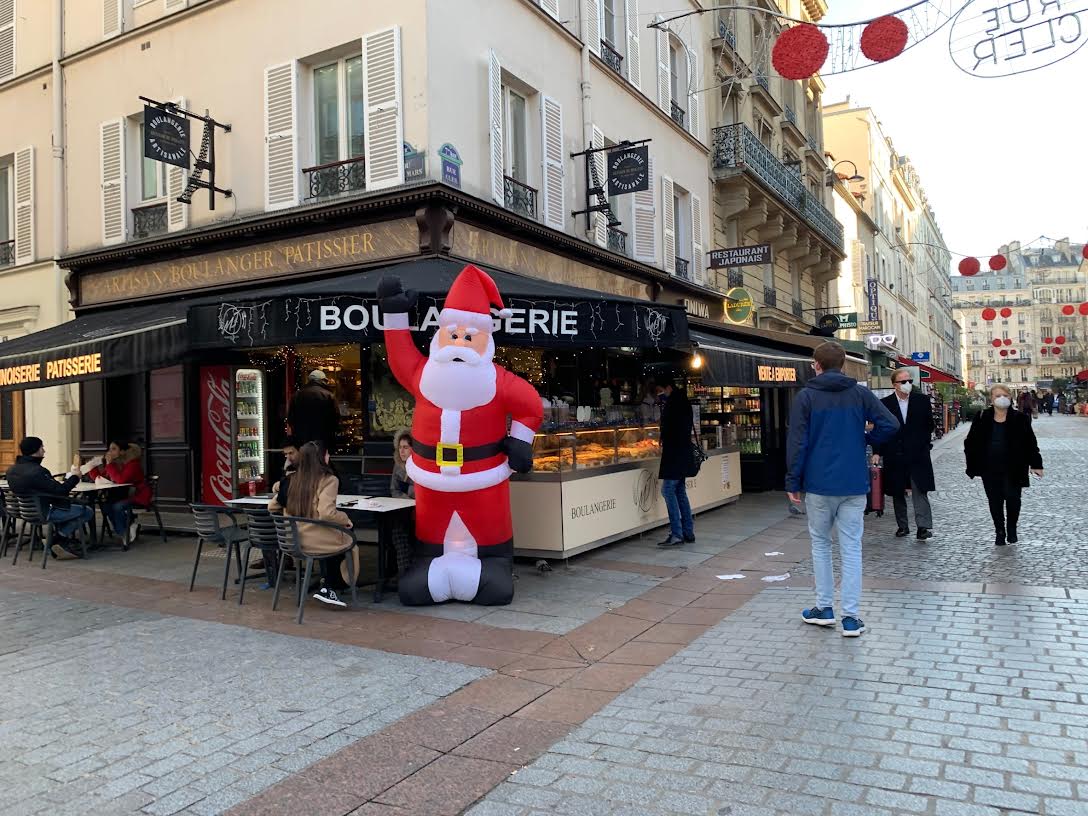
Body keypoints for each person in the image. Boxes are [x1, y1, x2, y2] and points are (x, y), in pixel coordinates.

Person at [377, 264, 543, 605]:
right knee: (430, 534)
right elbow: (398, 355)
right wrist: (394, 316)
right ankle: (429, 560)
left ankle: (494, 561)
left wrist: (521, 441)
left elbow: (530, 405)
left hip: (483, 480)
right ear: (440, 335)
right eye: (453, 335)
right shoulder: (424, 373)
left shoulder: (497, 381)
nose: (459, 343)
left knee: (489, 531)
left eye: (469, 337)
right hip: (431, 481)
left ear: (486, 339)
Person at [785, 342, 898, 638]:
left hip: (819, 482)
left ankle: (824, 608)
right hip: (852, 482)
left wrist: (792, 481)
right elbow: (890, 424)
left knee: (821, 545)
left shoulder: (806, 397)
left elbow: (797, 442)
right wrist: (866, 438)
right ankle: (851, 616)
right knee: (851, 547)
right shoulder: (860, 394)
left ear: (817, 365)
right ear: (843, 366)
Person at [268, 441, 357, 608]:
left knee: (334, 533)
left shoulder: (291, 479)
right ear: (321, 458)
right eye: (327, 454)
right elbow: (326, 513)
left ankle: (326, 583)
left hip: (291, 542)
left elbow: (272, 506)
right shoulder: (329, 480)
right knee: (348, 534)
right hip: (315, 542)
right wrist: (345, 519)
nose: (329, 457)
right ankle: (331, 586)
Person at [964, 384, 1043, 546]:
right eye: (998, 396)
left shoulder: (1020, 418)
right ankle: (999, 530)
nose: (1002, 398)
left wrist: (1036, 464)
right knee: (995, 501)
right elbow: (970, 443)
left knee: (1013, 499)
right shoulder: (982, 417)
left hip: (1014, 467)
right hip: (989, 467)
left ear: (1010, 398)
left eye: (1005, 395)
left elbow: (1030, 443)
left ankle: (1012, 527)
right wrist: (973, 464)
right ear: (991, 399)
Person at [872, 370, 936, 540]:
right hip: (895, 452)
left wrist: (924, 444)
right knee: (897, 490)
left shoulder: (921, 400)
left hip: (918, 453)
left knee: (920, 489)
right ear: (894, 385)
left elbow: (929, 424)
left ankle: (923, 527)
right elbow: (879, 429)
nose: (907, 383)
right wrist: (877, 451)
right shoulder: (885, 403)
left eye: (909, 380)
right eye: (903, 381)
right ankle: (903, 526)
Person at [5, 437, 91, 560]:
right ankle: (56, 539)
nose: (44, 451)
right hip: (45, 512)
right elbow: (61, 491)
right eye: (42, 448)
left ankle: (60, 542)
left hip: (23, 512)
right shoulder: (38, 471)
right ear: (35, 450)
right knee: (87, 511)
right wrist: (75, 477)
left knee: (68, 509)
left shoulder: (11, 470)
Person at [656, 376, 696, 547]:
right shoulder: (683, 402)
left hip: (674, 455)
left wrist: (662, 436)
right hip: (682, 454)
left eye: (661, 390)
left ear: (668, 387)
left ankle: (676, 533)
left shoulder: (673, 405)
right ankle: (688, 531)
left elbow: (670, 430)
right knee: (680, 491)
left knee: (667, 491)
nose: (660, 394)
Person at [88, 441, 153, 545]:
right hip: (121, 494)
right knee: (106, 506)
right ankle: (126, 529)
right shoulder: (117, 464)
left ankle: (125, 532)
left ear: (122, 452)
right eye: (109, 449)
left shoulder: (133, 465)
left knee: (117, 507)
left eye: (113, 449)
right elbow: (101, 478)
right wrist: (92, 467)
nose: (109, 452)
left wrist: (109, 464)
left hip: (136, 495)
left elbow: (121, 480)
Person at [286, 370, 340, 451]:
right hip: (322, 439)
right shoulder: (328, 395)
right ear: (322, 381)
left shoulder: (297, 395)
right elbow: (335, 418)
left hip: (302, 440)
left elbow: (291, 418)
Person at [390, 430, 415, 500]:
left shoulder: (419, 467)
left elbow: (421, 492)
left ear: (413, 449)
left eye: (405, 447)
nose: (402, 451)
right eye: (400, 447)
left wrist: (408, 489)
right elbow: (393, 489)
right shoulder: (398, 465)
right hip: (401, 504)